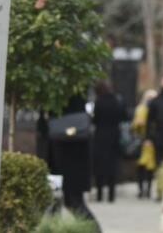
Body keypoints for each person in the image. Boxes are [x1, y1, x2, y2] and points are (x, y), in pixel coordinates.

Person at [48, 95, 100, 231]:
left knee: (71, 201)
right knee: (66, 201)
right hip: (69, 152)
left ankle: (94, 230)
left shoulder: (66, 94)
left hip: (68, 152)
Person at [91, 80, 126, 203]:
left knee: (100, 166)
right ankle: (111, 195)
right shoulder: (117, 101)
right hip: (114, 136)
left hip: (100, 136)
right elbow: (123, 116)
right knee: (112, 166)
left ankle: (100, 194)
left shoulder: (98, 102)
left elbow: (95, 120)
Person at [132, 89, 157, 199]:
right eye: (149, 97)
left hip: (152, 141)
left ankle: (148, 189)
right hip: (141, 141)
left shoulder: (155, 109)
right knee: (141, 166)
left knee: (150, 167)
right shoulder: (140, 109)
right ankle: (141, 189)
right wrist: (137, 125)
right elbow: (134, 126)